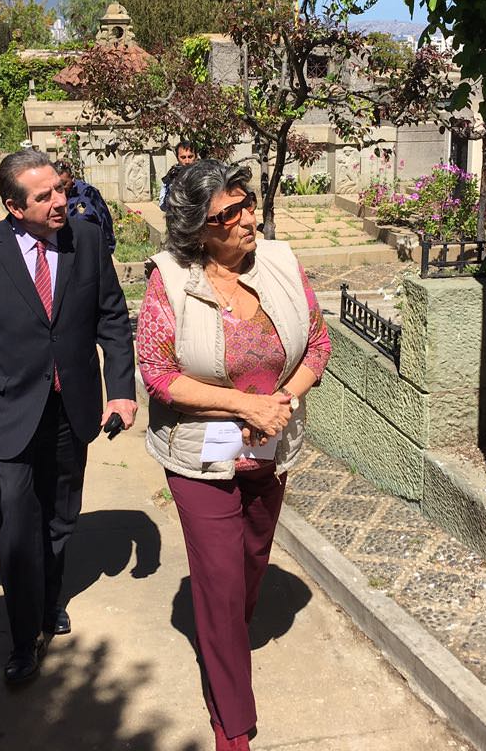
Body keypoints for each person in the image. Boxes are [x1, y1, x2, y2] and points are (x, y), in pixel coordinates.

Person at [135, 160, 330, 750]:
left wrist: (279, 401)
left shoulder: (280, 261)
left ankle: (227, 638)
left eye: (247, 204)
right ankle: (233, 722)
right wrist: (243, 409)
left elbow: (318, 342)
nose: (249, 219)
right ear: (198, 229)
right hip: (204, 451)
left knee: (250, 562)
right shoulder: (169, 279)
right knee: (218, 584)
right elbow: (159, 373)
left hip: (270, 446)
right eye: (231, 214)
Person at [0, 149, 137, 685]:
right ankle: (25, 638)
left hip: (71, 410)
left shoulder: (86, 240)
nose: (59, 203)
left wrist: (120, 391)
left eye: (60, 190)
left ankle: (48, 602)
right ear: (13, 206)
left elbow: (112, 319)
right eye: (44, 196)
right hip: (2, 410)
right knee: (20, 521)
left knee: (61, 517)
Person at [55, 159, 115, 254]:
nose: (61, 188)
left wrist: (108, 250)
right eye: (57, 185)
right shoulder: (54, 197)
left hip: (89, 250)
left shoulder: (89, 194)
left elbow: (105, 222)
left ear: (72, 178)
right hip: (65, 252)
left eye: (64, 184)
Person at [159, 140, 198, 210]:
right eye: (183, 157)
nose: (187, 161)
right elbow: (162, 205)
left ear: (196, 157)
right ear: (177, 158)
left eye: (190, 157)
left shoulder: (204, 175)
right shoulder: (172, 175)